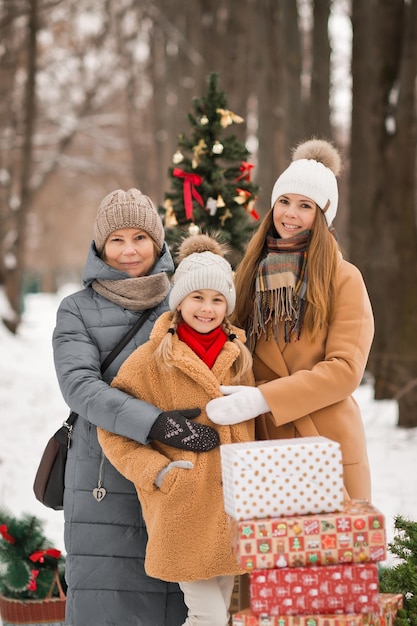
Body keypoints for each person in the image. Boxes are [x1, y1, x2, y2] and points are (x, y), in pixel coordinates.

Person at [52, 189, 220, 626]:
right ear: (100, 247)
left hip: (184, 469)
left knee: (187, 599)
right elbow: (80, 386)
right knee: (111, 601)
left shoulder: (188, 302)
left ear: (158, 241)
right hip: (104, 473)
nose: (129, 250)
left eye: (140, 237)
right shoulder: (76, 310)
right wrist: (155, 423)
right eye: (117, 240)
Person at [97, 234, 255, 626]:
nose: (207, 308)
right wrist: (159, 472)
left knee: (220, 611)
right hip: (183, 509)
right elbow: (112, 428)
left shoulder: (239, 356)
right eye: (197, 297)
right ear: (179, 300)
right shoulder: (150, 359)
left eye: (217, 299)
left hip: (232, 509)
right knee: (209, 617)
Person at [206, 138, 374, 502]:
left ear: (322, 215)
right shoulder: (248, 274)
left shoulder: (345, 278)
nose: (290, 214)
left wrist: (264, 398)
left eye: (305, 205)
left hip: (326, 438)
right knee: (272, 553)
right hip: (265, 444)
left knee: (332, 554)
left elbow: (345, 370)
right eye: (284, 201)